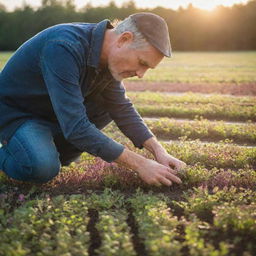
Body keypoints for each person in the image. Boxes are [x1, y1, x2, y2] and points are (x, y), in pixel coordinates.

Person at [0, 12, 186, 186]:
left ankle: (46, 150)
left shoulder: (109, 60)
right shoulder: (64, 46)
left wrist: (159, 151)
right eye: (142, 63)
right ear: (124, 39)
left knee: (108, 105)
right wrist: (141, 164)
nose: (140, 74)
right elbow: (75, 127)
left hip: (52, 113)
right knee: (43, 168)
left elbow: (121, 108)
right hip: (19, 114)